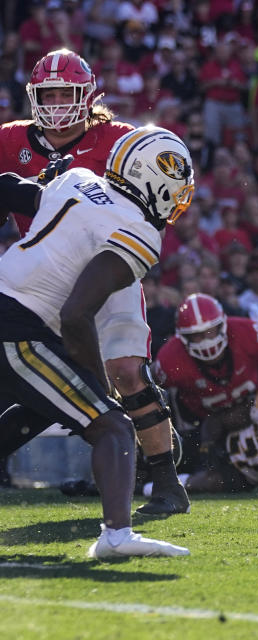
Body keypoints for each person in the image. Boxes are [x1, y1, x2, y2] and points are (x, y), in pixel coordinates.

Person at [0, 49, 188, 514]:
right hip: (43, 277)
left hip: (107, 272)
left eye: (68, 93)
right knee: (56, 380)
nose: (59, 103)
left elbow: (162, 192)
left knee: (124, 372)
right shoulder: (9, 141)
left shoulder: (122, 141)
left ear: (89, 97)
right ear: (33, 97)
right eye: (50, 94)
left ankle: (166, 482)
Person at [152, 293, 258, 473]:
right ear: (183, 338)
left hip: (249, 411)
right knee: (195, 466)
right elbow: (150, 386)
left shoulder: (245, 332)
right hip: (201, 424)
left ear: (222, 325)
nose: (206, 341)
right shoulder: (171, 359)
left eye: (210, 331)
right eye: (197, 336)